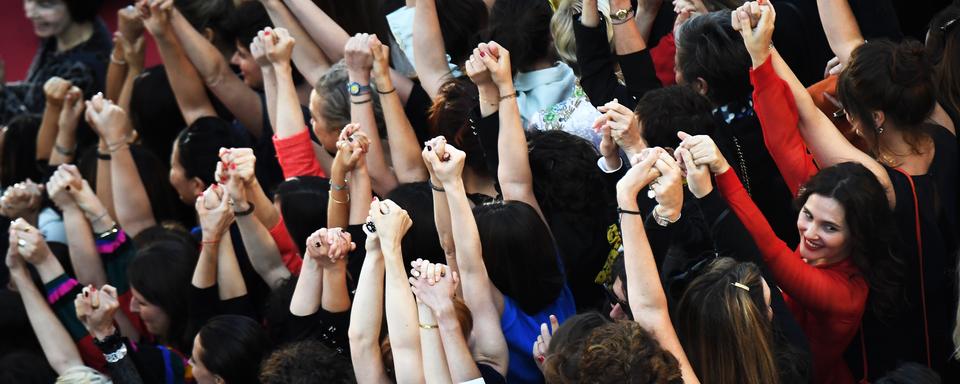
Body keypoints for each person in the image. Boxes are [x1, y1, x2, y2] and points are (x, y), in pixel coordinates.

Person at [1, 0, 110, 125]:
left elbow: (32, 135)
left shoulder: (82, 72)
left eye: (45, 4)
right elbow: (35, 89)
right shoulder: (60, 29)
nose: (30, 13)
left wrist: (2, 92)